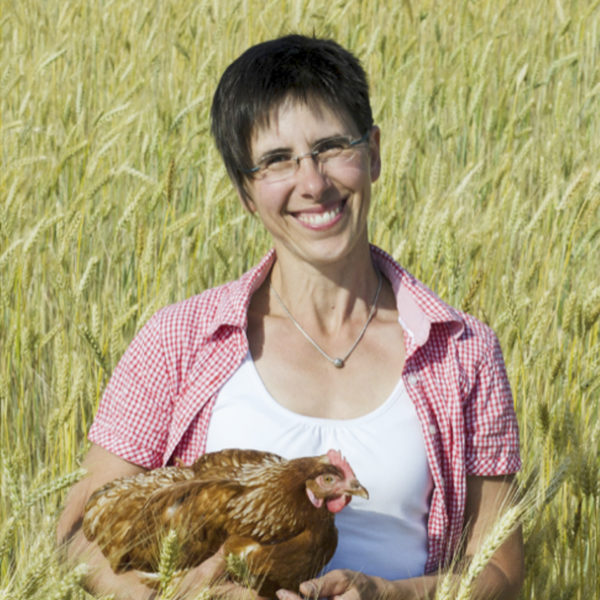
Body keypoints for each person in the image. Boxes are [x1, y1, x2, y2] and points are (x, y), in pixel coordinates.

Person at [57, 35, 524, 599]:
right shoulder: (178, 341)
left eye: (331, 147)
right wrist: (185, 595)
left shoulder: (461, 350)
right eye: (278, 160)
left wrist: (391, 595)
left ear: (373, 153)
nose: (313, 182)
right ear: (246, 192)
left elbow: (499, 568)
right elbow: (76, 535)